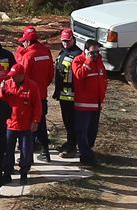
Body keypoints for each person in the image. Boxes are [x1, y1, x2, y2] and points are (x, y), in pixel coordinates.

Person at [17, 26, 54, 163]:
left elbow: (22, 77)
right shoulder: (46, 51)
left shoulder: (28, 56)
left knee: (28, 127)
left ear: (27, 42)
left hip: (29, 96)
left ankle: (28, 156)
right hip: (42, 94)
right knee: (41, 124)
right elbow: (50, 74)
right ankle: (45, 152)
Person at [0, 63, 41, 186]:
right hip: (10, 124)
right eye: (10, 76)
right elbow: (1, 102)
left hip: (26, 125)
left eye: (14, 76)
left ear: (22, 75)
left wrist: (35, 121)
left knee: (25, 150)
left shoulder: (32, 86)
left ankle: (24, 173)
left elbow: (37, 106)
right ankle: (7, 173)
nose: (11, 78)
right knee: (8, 150)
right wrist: (1, 91)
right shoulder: (7, 84)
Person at [71, 40, 107, 166]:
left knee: (93, 131)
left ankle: (88, 151)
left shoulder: (99, 62)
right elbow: (78, 75)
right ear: (86, 51)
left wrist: (101, 99)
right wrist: (88, 61)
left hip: (96, 104)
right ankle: (85, 156)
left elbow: (103, 80)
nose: (95, 54)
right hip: (83, 105)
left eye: (97, 52)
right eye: (92, 52)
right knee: (82, 131)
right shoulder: (78, 61)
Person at [52, 28, 82, 158]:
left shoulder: (78, 54)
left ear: (73, 39)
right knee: (66, 120)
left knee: (72, 121)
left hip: (73, 94)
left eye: (68, 41)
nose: (65, 43)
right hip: (63, 93)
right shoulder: (62, 52)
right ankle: (69, 142)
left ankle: (73, 145)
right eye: (63, 41)